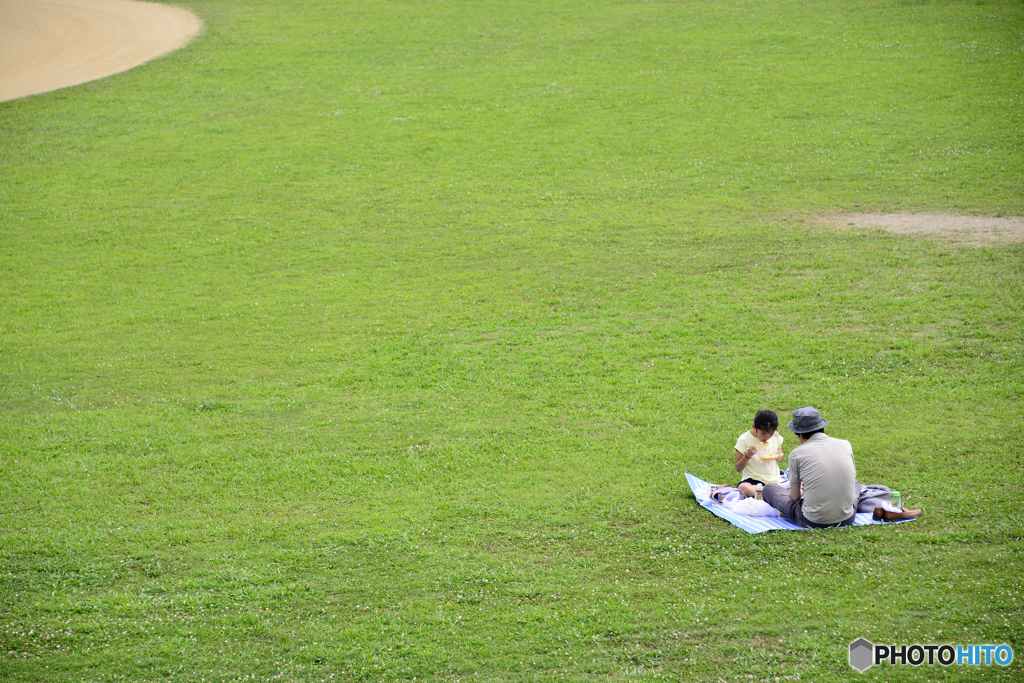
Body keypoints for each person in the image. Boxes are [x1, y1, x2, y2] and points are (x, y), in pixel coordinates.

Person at [761, 406, 858, 528]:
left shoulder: (797, 454)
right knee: (855, 484)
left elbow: (795, 497)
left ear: (800, 434)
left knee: (769, 489)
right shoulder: (845, 444)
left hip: (812, 520)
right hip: (847, 518)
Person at [733, 410, 785, 499]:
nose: (767, 437)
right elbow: (738, 468)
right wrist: (747, 455)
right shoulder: (744, 439)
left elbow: (780, 459)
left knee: (800, 486)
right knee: (744, 488)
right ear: (754, 427)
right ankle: (775, 492)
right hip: (754, 480)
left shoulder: (776, 436)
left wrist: (780, 456)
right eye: (763, 434)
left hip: (775, 480)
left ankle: (768, 492)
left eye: (771, 434)